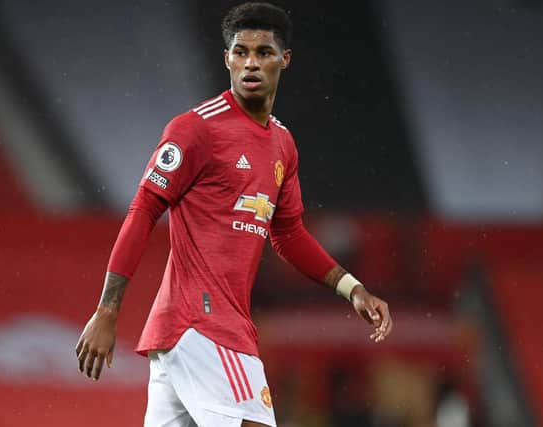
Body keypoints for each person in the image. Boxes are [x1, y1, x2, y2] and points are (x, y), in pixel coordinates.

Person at [75, 3, 393, 426]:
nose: (251, 63)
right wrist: (108, 311)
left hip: (190, 336)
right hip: (204, 325)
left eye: (264, 52)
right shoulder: (196, 129)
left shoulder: (282, 144)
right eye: (240, 52)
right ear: (226, 58)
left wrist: (352, 288)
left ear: (285, 59)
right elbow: (144, 208)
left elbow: (289, 233)